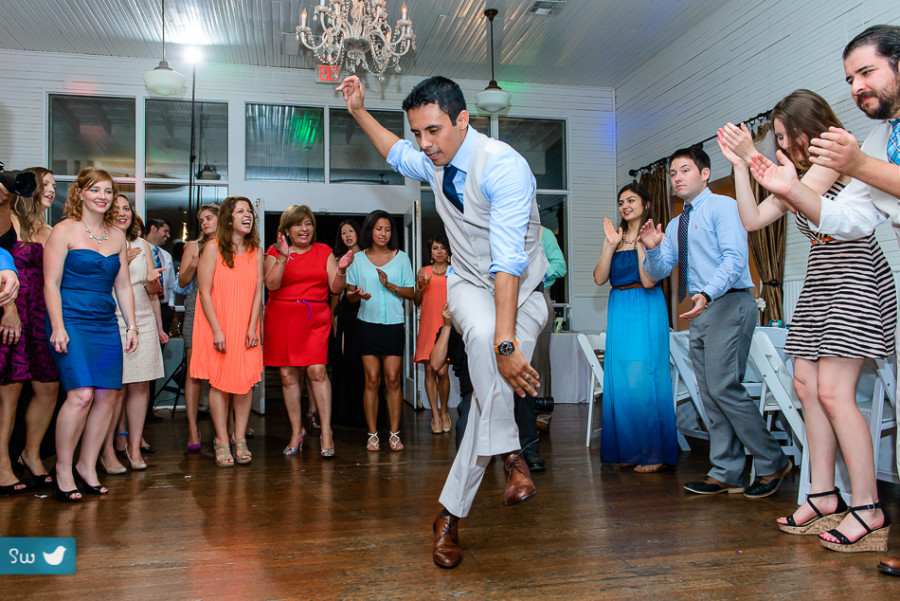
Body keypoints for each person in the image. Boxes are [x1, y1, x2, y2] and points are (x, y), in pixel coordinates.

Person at [338, 74, 549, 569]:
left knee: (487, 394)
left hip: (524, 292)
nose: (424, 143)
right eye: (418, 133)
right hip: (470, 286)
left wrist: (506, 342)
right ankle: (514, 457)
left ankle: (450, 516)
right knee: (481, 342)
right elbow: (393, 151)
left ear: (462, 120)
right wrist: (358, 111)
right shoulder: (434, 158)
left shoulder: (503, 168)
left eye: (432, 131)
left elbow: (508, 261)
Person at [746, 25, 900, 559]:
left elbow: (845, 225)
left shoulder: (849, 156)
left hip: (855, 273)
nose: (782, 146)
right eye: (850, 78)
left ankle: (869, 507)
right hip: (822, 275)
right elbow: (819, 216)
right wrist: (755, 171)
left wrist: (784, 180)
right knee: (808, 389)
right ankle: (822, 493)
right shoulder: (875, 143)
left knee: (834, 392)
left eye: (866, 72)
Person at [640, 146, 791, 498]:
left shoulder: (724, 207)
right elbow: (659, 271)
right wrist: (651, 247)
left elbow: (735, 259)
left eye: (685, 170)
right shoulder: (678, 223)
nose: (677, 178)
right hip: (701, 308)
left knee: (724, 386)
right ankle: (727, 471)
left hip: (729, 301)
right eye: (673, 173)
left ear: (705, 173)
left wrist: (707, 293)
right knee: (708, 392)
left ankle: (772, 460)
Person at [44, 167, 138, 501]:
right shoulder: (63, 231)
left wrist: (131, 325)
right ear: (81, 193)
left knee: (108, 395)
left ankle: (87, 464)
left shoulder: (117, 236)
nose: (103, 197)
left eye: (108, 191)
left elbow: (123, 285)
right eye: (95, 190)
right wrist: (57, 325)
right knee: (81, 395)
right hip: (70, 318)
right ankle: (63, 469)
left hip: (104, 321)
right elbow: (50, 284)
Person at [593, 183, 677, 472]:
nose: (624, 206)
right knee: (623, 381)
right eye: (620, 202)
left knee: (646, 377)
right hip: (619, 308)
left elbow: (649, 280)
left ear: (645, 203)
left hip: (645, 305)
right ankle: (629, 449)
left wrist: (642, 245)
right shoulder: (614, 236)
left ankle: (653, 452)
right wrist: (611, 245)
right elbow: (600, 278)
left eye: (631, 200)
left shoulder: (654, 237)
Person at [263, 205, 352, 457]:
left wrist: (342, 268)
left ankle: (326, 431)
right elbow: (271, 283)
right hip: (282, 319)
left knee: (316, 370)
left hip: (315, 319)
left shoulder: (324, 251)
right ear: (287, 230)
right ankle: (296, 431)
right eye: (298, 224)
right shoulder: (274, 251)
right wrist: (282, 256)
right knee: (288, 376)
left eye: (308, 224)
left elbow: (335, 287)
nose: (304, 229)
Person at [190, 196, 263, 468]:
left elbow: (258, 292)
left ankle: (239, 438)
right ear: (229, 218)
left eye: (250, 211)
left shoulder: (256, 250)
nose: (248, 215)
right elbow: (204, 293)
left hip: (246, 325)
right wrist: (217, 330)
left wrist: (253, 325)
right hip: (218, 324)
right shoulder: (212, 248)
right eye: (240, 210)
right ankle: (221, 440)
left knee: (245, 383)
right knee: (219, 383)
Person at [97, 196, 168, 474]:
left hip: (144, 317)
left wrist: (154, 283)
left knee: (140, 386)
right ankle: (105, 450)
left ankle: (134, 446)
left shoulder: (142, 246)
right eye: (116, 209)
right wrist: (119, 262)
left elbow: (152, 291)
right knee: (116, 389)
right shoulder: (99, 243)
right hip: (111, 316)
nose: (122, 213)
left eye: (126, 208)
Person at [1, 168, 60, 491]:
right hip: (12, 313)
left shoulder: (50, 230)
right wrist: (8, 309)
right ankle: (2, 465)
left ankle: (31, 453)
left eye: (53, 184)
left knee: (48, 388)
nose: (51, 189)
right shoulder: (8, 220)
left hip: (42, 316)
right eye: (46, 183)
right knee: (9, 393)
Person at [345, 210, 415, 452]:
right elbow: (350, 295)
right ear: (370, 231)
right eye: (378, 229)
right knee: (372, 380)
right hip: (367, 326)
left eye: (387, 229)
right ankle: (373, 434)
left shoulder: (402, 258)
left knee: (393, 380)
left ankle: (394, 434)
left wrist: (389, 285)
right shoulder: (358, 260)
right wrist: (357, 294)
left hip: (394, 327)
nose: (383, 233)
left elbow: (413, 293)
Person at [519, 226, 567, 472]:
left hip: (538, 295)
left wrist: (537, 276)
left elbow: (560, 265)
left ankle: (541, 416)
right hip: (509, 296)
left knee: (537, 360)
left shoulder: (543, 234)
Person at [179, 204, 219, 452]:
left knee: (220, 373)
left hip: (223, 307)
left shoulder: (229, 245)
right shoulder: (194, 245)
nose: (204, 222)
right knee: (194, 372)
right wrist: (193, 265)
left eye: (209, 218)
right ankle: (193, 428)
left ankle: (222, 428)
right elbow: (182, 282)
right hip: (196, 308)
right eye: (201, 219)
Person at [413, 233, 451, 435]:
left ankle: (445, 411)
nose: (439, 252)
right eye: (435, 248)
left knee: (443, 371)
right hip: (428, 324)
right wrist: (419, 285)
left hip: (445, 325)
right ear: (430, 253)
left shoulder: (454, 272)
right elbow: (416, 301)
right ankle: (435, 415)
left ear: (448, 251)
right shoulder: (423, 271)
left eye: (443, 248)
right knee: (429, 371)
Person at [330, 219, 364, 428]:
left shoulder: (369, 256)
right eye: (343, 233)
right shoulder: (338, 259)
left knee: (364, 364)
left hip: (367, 308)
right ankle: (345, 414)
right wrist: (334, 324)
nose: (347, 235)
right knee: (346, 362)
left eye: (351, 231)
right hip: (347, 312)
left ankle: (363, 413)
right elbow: (335, 295)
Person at [430, 304, 473, 450]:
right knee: (464, 428)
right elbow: (435, 364)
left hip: (493, 392)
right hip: (471, 396)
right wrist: (447, 326)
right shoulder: (453, 331)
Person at [145, 217, 175, 336]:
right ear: (153, 229)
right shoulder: (138, 250)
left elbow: (171, 284)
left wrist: (171, 305)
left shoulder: (166, 256)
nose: (168, 235)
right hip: (146, 306)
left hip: (164, 308)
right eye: (165, 231)